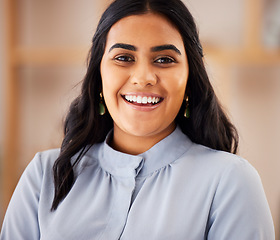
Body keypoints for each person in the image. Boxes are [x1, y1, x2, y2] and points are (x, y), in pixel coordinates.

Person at [0, 0, 275, 239]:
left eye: (164, 59)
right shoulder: (45, 175)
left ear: (190, 79)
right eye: (123, 57)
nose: (143, 77)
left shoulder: (229, 181)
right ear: (99, 77)